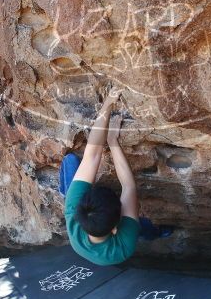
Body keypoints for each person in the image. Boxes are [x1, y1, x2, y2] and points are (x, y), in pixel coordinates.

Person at [60, 90, 170, 266]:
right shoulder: (123, 247)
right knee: (140, 225)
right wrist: (112, 141)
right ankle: (155, 232)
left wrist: (108, 104)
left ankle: (67, 189)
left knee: (70, 160)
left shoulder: (73, 209)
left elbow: (92, 154)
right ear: (115, 227)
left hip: (85, 212)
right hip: (122, 236)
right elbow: (129, 187)